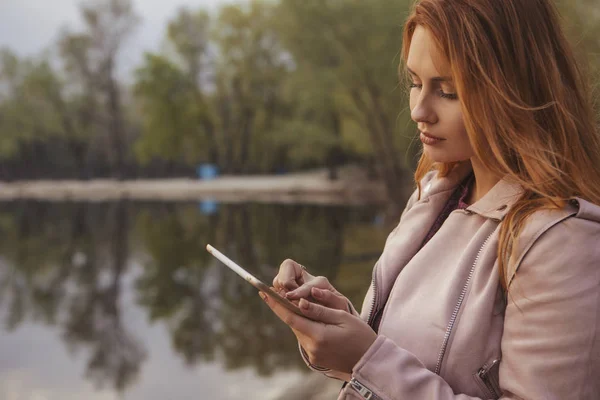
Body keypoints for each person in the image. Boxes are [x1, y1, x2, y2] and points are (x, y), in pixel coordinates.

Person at [259, 0, 600, 398]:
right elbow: (404, 361)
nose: (420, 110)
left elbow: (386, 370)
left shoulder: (563, 242)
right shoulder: (436, 194)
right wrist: (336, 324)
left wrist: (367, 359)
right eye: (416, 82)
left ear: (513, 89)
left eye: (448, 91)